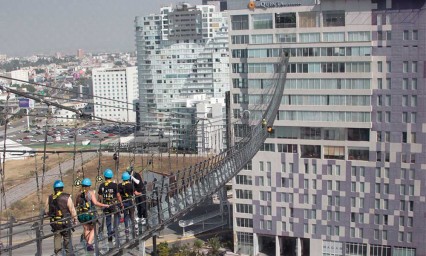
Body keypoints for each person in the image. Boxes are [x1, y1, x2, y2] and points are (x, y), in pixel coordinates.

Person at [76, 178, 109, 251]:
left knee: (86, 228)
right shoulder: (90, 193)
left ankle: (88, 244)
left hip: (81, 215)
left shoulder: (78, 194)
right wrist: (104, 205)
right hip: (89, 214)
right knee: (95, 227)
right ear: (89, 186)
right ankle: (89, 243)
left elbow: (76, 204)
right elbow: (96, 203)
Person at [45, 180, 77, 256]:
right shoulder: (67, 197)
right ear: (62, 188)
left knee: (57, 238)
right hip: (65, 223)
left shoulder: (49, 198)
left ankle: (57, 253)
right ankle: (68, 254)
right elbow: (72, 210)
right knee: (67, 239)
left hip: (55, 223)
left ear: (54, 188)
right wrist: (75, 219)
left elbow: (46, 211)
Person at [98, 168, 123, 242]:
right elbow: (118, 195)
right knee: (117, 216)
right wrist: (121, 203)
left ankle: (109, 235)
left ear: (105, 176)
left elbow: (99, 196)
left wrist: (100, 203)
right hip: (114, 205)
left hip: (106, 205)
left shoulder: (102, 185)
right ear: (111, 176)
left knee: (108, 220)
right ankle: (114, 230)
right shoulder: (115, 185)